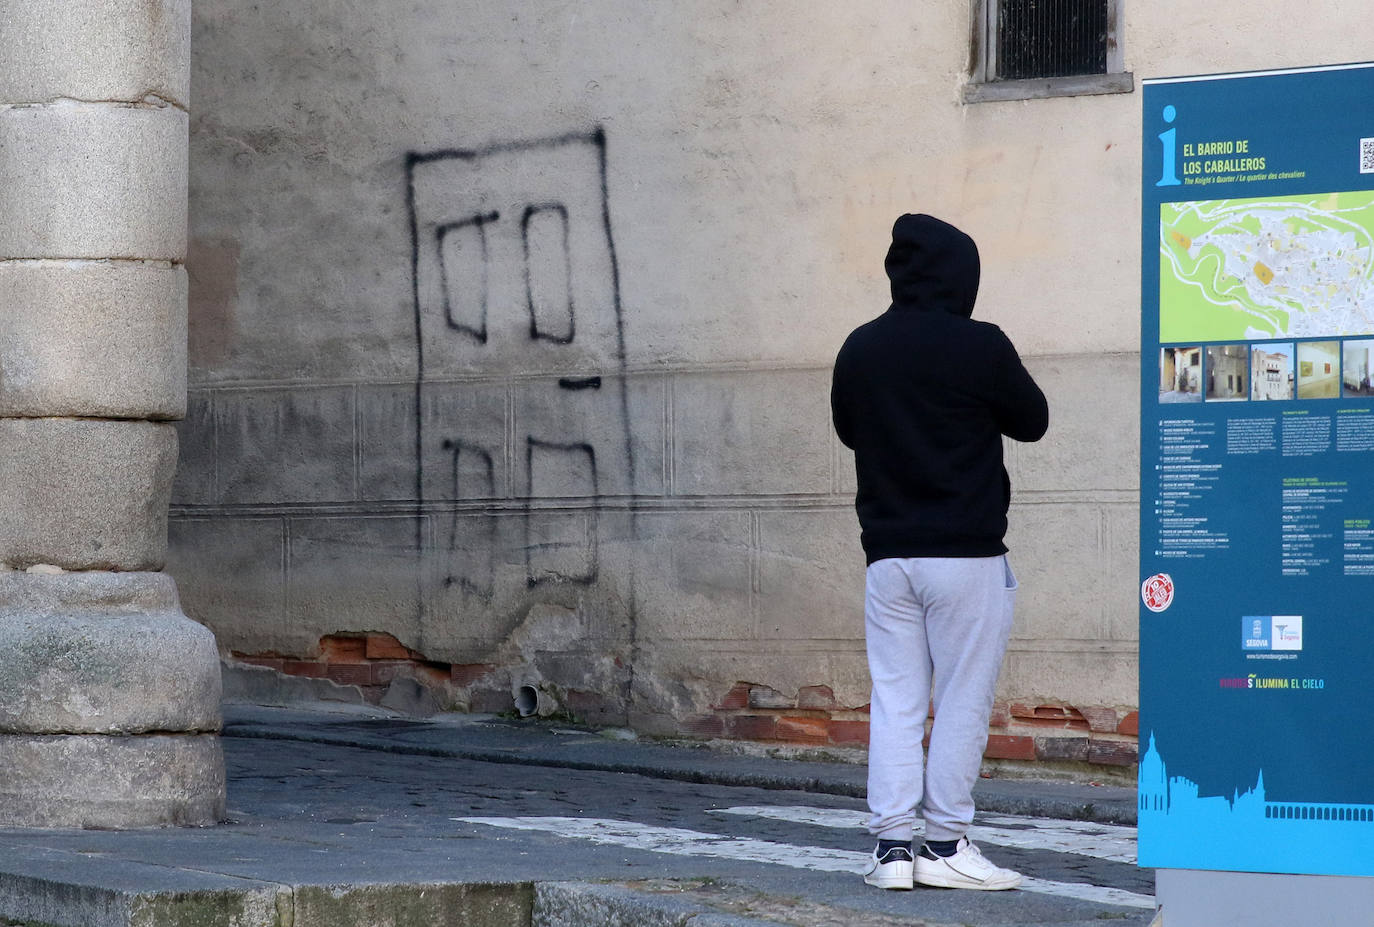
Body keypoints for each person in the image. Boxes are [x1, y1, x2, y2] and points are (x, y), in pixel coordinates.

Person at [830, 214, 1048, 892]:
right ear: (963, 276)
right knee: (960, 697)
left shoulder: (860, 347)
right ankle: (947, 841)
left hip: (888, 555)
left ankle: (893, 850)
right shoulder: (980, 345)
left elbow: (847, 428)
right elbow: (1033, 420)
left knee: (895, 698)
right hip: (966, 553)